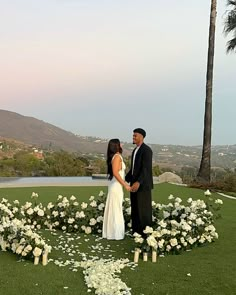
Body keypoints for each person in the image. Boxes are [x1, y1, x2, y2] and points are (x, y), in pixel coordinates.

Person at [125, 128, 153, 236]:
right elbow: (133, 169)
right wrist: (125, 179)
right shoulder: (135, 150)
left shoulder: (147, 150)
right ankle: (136, 232)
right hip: (134, 185)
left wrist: (138, 182)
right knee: (135, 209)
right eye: (133, 136)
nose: (133, 137)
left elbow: (146, 169)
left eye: (135, 136)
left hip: (143, 186)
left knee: (143, 210)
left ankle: (146, 233)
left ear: (141, 137)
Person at [102, 138, 131, 240]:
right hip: (116, 186)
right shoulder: (117, 157)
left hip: (116, 186)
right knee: (115, 208)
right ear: (117, 146)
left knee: (115, 208)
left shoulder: (116, 157)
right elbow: (115, 173)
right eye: (120, 143)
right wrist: (125, 185)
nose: (122, 145)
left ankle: (112, 232)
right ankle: (114, 233)